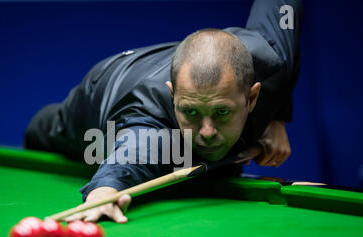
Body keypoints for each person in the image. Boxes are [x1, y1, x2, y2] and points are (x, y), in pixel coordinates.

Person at [24, 0, 303, 223]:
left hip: (168, 64)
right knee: (45, 128)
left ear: (252, 96)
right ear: (173, 96)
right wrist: (104, 191)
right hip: (103, 90)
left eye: (221, 112)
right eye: (191, 113)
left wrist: (277, 116)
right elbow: (130, 155)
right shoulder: (148, 117)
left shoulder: (273, 62)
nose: (206, 132)